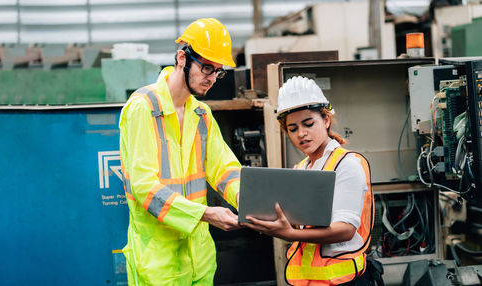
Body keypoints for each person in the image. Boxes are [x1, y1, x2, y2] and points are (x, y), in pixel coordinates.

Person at [118, 18, 242, 285]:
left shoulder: (201, 114)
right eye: (207, 67)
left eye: (217, 72)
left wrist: (247, 198)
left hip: (200, 258)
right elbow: (144, 187)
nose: (211, 78)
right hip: (158, 263)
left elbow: (225, 169)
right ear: (181, 58)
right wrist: (206, 214)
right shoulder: (143, 108)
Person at [243, 76, 378, 285]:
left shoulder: (347, 164)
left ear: (326, 119)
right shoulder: (301, 169)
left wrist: (289, 233)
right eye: (293, 128)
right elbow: (297, 224)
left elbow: (346, 229)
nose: (301, 134)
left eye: (308, 123)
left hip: (345, 282)